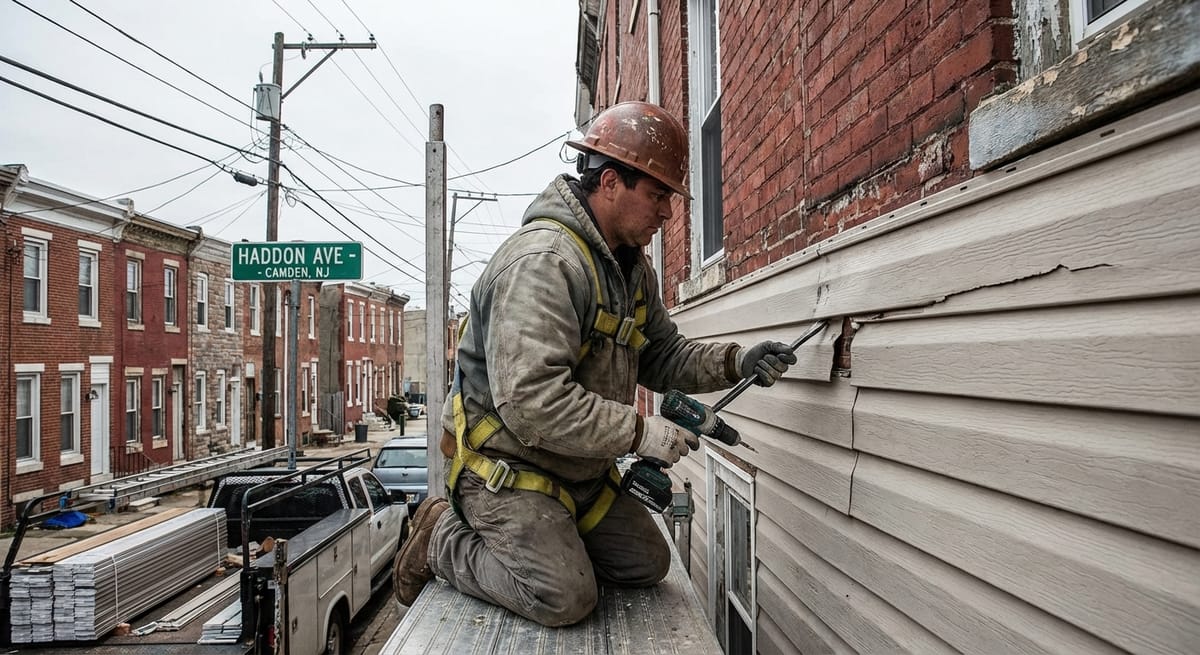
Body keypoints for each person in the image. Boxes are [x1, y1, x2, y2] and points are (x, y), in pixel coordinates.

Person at [392, 101, 796, 626]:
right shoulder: (545, 264)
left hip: (581, 472)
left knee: (647, 565)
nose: (668, 213)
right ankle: (440, 536)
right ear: (609, 183)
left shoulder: (629, 270)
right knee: (564, 598)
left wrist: (736, 361)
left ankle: (556, 535)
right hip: (509, 473)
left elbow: (662, 354)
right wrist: (638, 435)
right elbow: (533, 404)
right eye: (657, 196)